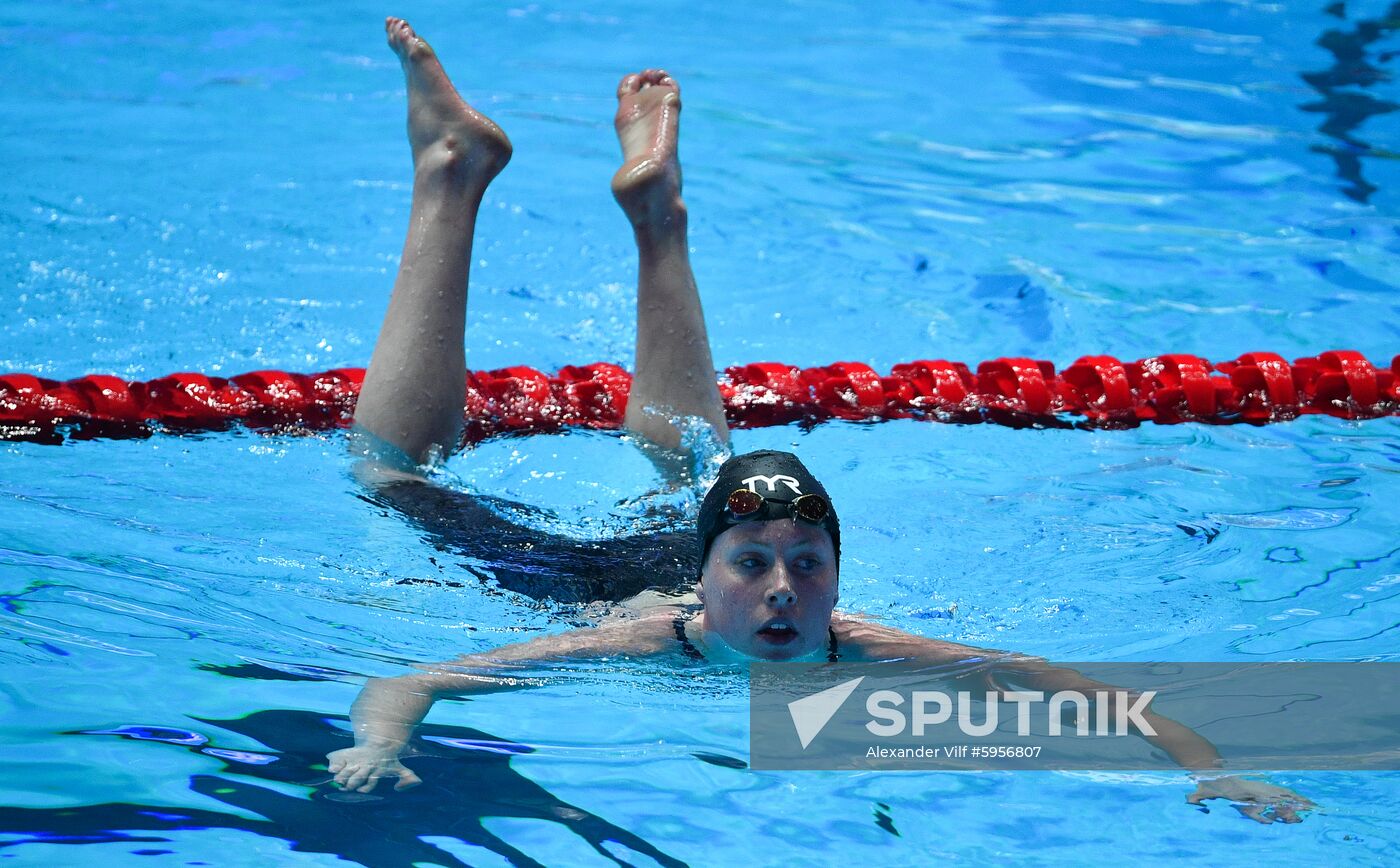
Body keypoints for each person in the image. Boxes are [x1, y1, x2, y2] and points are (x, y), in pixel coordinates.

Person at [328, 17, 1314, 824]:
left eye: (805, 564)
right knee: (389, 472)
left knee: (684, 474)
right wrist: (378, 738)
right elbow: (420, 681)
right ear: (712, 578)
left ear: (835, 579)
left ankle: (591, 196)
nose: (782, 591)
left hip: (682, 547)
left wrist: (1205, 767)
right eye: (755, 564)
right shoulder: (641, 640)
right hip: (581, 588)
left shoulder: (851, 639)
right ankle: (471, 179)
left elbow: (1065, 689)